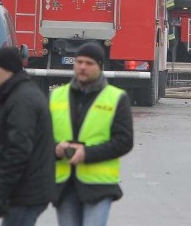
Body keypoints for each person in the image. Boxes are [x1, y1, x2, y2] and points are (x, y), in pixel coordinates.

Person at [51, 43, 134, 226]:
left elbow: (124, 141)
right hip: (65, 185)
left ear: (100, 67)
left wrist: (87, 153)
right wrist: (56, 149)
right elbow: (40, 137)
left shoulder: (116, 97)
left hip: (98, 186)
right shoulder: (56, 96)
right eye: (79, 62)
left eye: (89, 63)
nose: (82, 67)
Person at [0, 47, 55, 226]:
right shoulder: (17, 93)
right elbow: (2, 135)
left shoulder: (22, 100)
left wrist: (2, 195)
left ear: (8, 70)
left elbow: (18, 149)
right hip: (25, 191)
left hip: (26, 192)